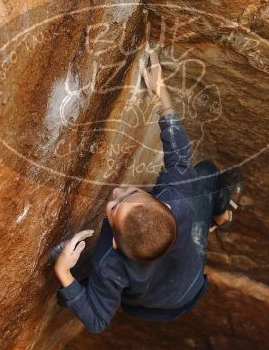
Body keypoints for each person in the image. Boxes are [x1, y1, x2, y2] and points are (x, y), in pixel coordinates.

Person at [53, 49, 242, 333]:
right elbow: (178, 156)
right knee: (206, 173)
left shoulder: (110, 265)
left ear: (115, 244)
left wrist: (63, 272)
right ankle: (217, 217)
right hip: (188, 281)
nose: (116, 192)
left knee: (68, 294)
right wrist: (161, 94)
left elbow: (97, 321)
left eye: (116, 206)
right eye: (127, 194)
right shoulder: (179, 197)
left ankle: (215, 221)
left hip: (156, 303)